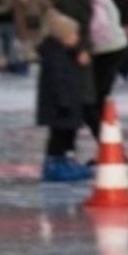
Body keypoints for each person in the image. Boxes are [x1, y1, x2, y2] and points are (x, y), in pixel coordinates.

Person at [35, 11, 94, 183]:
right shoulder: (55, 54)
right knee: (59, 135)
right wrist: (63, 103)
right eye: (73, 34)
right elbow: (57, 80)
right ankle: (54, 165)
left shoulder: (64, 51)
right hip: (59, 105)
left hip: (67, 102)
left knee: (68, 133)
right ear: (63, 37)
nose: (77, 37)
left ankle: (66, 162)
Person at [83, 0, 128, 114]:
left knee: (99, 90)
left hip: (107, 45)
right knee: (100, 89)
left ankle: (100, 123)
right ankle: (99, 121)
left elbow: (99, 25)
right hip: (114, 43)